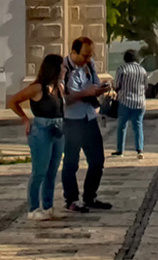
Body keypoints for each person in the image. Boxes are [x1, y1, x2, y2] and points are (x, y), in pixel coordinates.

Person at [8, 53, 68, 221]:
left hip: (58, 129)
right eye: (62, 66)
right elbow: (14, 101)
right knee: (39, 171)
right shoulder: (37, 88)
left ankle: (48, 206)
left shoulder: (59, 88)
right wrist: (25, 119)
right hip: (42, 129)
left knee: (52, 170)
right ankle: (33, 208)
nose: (65, 69)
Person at [61, 36, 112, 212]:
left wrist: (100, 89)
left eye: (90, 56)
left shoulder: (89, 66)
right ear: (73, 52)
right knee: (71, 162)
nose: (87, 60)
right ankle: (71, 199)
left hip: (89, 117)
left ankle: (90, 196)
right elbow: (62, 99)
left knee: (97, 161)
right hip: (71, 120)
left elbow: (94, 85)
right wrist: (85, 93)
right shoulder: (63, 69)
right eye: (84, 56)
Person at [113, 48, 148, 157]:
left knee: (122, 126)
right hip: (140, 102)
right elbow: (146, 86)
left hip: (125, 101)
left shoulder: (122, 69)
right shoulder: (143, 70)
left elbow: (116, 85)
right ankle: (140, 150)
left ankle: (120, 150)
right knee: (138, 126)